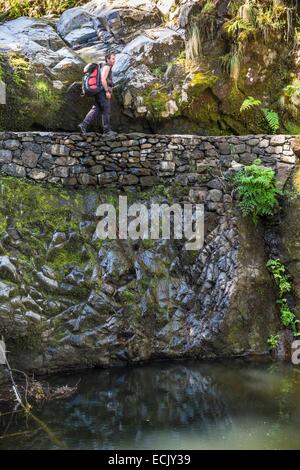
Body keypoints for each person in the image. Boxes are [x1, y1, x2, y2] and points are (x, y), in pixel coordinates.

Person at [78, 52, 117, 137]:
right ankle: (106, 131)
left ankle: (83, 125)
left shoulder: (101, 66)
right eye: (113, 58)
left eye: (115, 58)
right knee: (106, 110)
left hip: (97, 91)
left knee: (95, 108)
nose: (114, 60)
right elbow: (103, 79)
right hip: (102, 92)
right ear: (108, 59)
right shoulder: (107, 67)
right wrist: (107, 91)